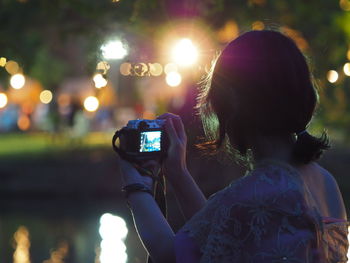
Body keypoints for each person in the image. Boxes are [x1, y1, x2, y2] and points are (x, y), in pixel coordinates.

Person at [118, 30, 349, 263]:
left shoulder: (257, 193)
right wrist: (178, 173)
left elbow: (171, 254)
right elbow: (220, 235)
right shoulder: (325, 183)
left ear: (231, 103)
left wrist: (135, 184)